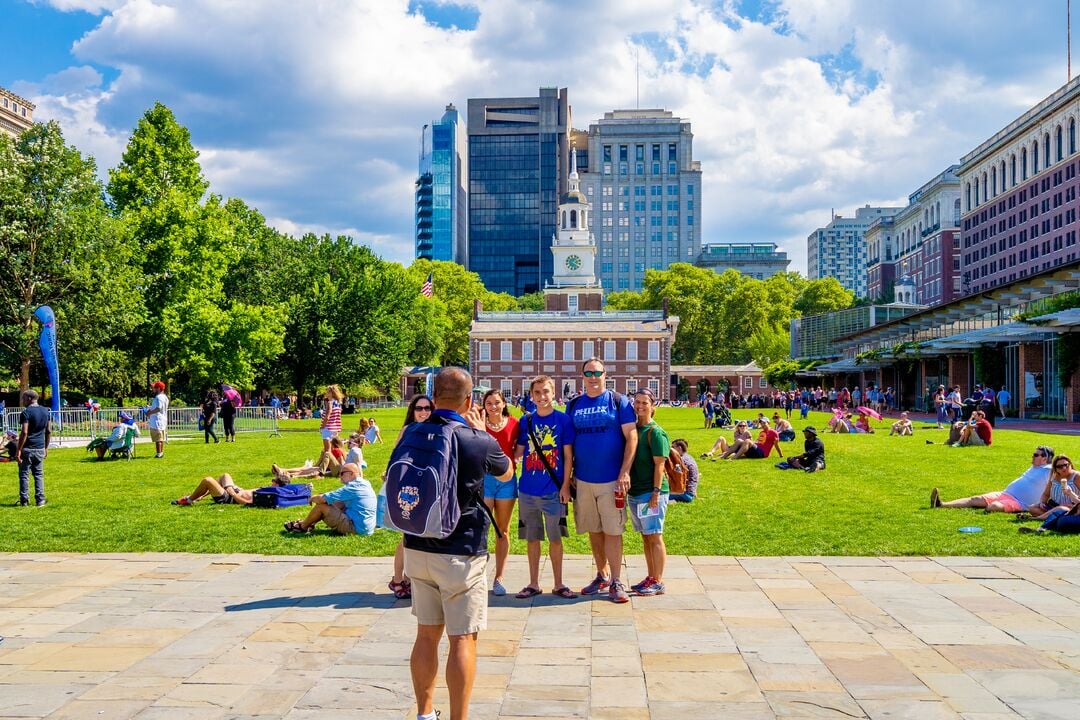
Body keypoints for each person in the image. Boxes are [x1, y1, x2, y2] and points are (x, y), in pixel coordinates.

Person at [405, 367, 512, 720]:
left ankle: (424, 713)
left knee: (425, 635)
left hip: (417, 543)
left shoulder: (413, 430)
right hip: (460, 549)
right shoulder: (475, 438)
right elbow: (506, 471)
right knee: (463, 638)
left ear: (434, 397)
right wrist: (480, 431)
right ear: (469, 401)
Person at [566, 358, 637, 604]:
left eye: (597, 372)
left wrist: (624, 472)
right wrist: (570, 474)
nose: (593, 377)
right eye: (588, 373)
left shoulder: (619, 402)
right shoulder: (574, 404)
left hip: (611, 480)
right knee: (594, 530)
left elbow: (632, 438)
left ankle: (617, 580)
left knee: (613, 530)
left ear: (605, 375)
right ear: (582, 376)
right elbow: (568, 444)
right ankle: (602, 574)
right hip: (584, 480)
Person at [513, 375, 576, 600]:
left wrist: (565, 486)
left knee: (555, 538)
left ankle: (559, 583)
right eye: (537, 393)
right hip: (528, 489)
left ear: (553, 392)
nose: (542, 397)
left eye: (546, 392)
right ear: (532, 396)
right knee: (532, 538)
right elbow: (519, 451)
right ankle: (533, 583)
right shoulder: (526, 421)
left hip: (553, 489)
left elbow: (568, 456)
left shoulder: (563, 420)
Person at [384, 395, 434, 600]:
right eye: (419, 408)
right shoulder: (408, 430)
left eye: (427, 408)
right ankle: (398, 578)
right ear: (412, 411)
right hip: (408, 487)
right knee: (407, 534)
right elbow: (395, 456)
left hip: (426, 486)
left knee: (422, 533)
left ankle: (411, 578)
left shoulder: (435, 431)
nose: (423, 412)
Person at [628, 388, 670, 596]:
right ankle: (651, 576)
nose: (640, 406)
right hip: (635, 492)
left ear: (653, 406)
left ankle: (659, 581)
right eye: (637, 402)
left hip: (650, 492)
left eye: (645, 403)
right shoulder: (635, 429)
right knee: (646, 536)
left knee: (654, 535)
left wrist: (655, 492)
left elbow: (659, 465)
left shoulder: (656, 432)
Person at [930, 445, 1054, 512]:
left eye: (1036, 455)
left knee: (992, 507)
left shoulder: (1048, 470)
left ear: (1045, 459)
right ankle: (941, 504)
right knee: (975, 499)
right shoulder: (1035, 467)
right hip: (1006, 494)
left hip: (1021, 503)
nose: (1033, 456)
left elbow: (1067, 473)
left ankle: (991, 506)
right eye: (1034, 454)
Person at [480, 388, 519, 597]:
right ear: (484, 406)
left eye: (497, 402)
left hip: (507, 480)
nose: (493, 407)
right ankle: (478, 574)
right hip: (484, 480)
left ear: (504, 403)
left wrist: (516, 461)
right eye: (489, 403)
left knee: (502, 530)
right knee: (481, 528)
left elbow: (518, 448)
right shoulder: (478, 425)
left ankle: (499, 577)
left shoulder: (514, 424)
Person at [282, 463, 376, 535]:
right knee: (338, 503)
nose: (340, 476)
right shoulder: (365, 483)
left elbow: (323, 499)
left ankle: (302, 527)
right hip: (366, 528)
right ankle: (308, 523)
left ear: (351, 474)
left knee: (321, 507)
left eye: (342, 473)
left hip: (356, 529)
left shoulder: (353, 487)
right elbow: (335, 501)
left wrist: (312, 498)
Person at [16, 389, 51, 507]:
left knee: (24, 474)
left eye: (24, 398)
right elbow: (49, 430)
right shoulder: (46, 411)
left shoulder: (26, 412)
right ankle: (40, 500)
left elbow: (24, 432)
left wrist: (18, 449)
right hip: (40, 447)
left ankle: (24, 500)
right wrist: (46, 447)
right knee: (38, 474)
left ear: (29, 399)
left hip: (28, 448)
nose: (22, 401)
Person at [1024, 454, 1080, 520]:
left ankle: (1037, 518)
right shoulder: (1054, 476)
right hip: (1053, 505)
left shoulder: (1077, 477)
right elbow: (1046, 494)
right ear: (1055, 469)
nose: (1064, 468)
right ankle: (1053, 516)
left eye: (1066, 465)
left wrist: (1075, 503)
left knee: (1060, 509)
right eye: (1060, 466)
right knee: (1032, 508)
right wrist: (1042, 502)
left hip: (1071, 508)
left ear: (1070, 464)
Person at [171, 472, 275, 506]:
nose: (271, 482)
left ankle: (189, 500)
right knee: (224, 475)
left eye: (274, 481)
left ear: (277, 485)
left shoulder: (268, 495)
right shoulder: (268, 489)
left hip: (230, 498)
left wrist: (233, 494)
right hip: (235, 491)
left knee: (208, 480)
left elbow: (248, 503)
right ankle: (201, 496)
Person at [145, 381, 169, 458]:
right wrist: (150, 408)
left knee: (158, 439)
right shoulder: (164, 397)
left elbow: (159, 408)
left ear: (159, 388)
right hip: (162, 420)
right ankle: (160, 452)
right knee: (160, 438)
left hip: (157, 420)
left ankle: (159, 454)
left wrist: (149, 412)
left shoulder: (159, 397)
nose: (153, 389)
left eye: (154, 388)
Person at [319, 384, 344, 456]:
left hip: (328, 428)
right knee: (335, 449)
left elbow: (327, 416)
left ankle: (328, 466)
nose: (326, 393)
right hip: (335, 428)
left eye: (327, 391)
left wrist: (322, 427)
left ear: (331, 393)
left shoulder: (330, 403)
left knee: (327, 450)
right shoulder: (338, 403)